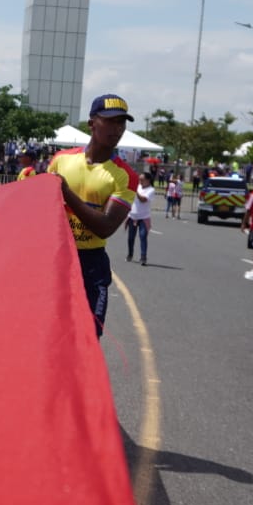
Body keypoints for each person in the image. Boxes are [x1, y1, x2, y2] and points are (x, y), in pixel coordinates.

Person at [46, 93, 137, 339]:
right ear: (91, 123)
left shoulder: (124, 175)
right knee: (50, 335)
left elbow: (105, 227)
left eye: (121, 123)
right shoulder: (61, 160)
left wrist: (67, 193)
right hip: (55, 260)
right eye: (109, 121)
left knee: (87, 340)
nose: (116, 128)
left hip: (91, 265)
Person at [125, 171, 155, 265]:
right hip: (133, 216)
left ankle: (143, 257)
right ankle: (130, 254)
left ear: (148, 180)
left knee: (142, 236)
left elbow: (143, 200)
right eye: (139, 179)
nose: (140, 181)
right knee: (130, 238)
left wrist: (136, 191)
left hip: (143, 217)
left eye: (142, 179)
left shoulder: (151, 190)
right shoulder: (137, 186)